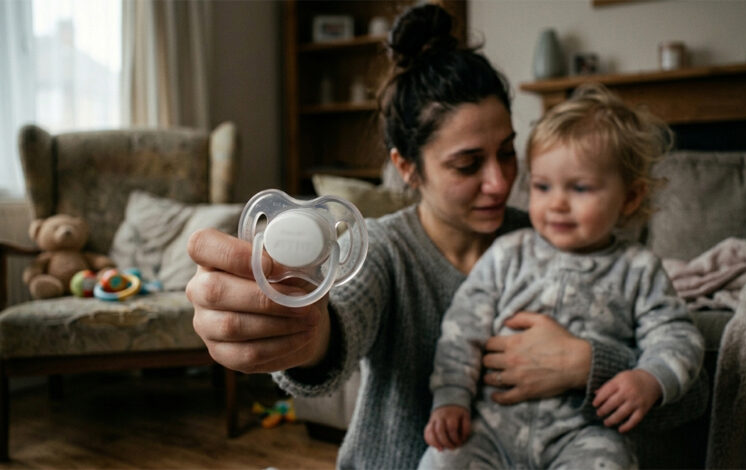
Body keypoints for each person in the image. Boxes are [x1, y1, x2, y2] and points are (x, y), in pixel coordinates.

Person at [186, 5, 703, 469]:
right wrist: (301, 326)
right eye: (467, 163)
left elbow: (692, 392)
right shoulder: (383, 248)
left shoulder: (554, 237)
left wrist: (586, 364)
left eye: (506, 152)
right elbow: (340, 324)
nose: (502, 183)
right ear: (407, 168)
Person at [419, 84, 706, 469]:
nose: (556, 203)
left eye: (580, 188)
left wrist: (648, 378)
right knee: (443, 459)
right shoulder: (507, 253)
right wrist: (450, 399)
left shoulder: (639, 268)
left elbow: (677, 335)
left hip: (584, 434)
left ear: (630, 197)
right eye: (542, 186)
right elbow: (461, 329)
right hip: (491, 428)